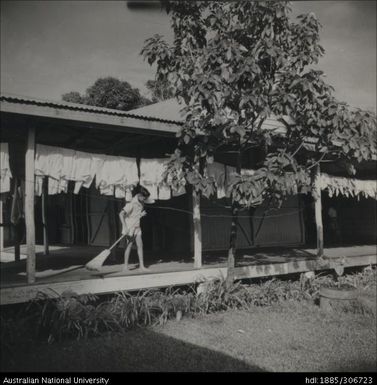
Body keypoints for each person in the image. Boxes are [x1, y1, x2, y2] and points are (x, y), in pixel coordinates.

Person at [119, 185, 154, 271]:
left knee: (140, 245)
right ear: (139, 195)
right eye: (144, 198)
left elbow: (137, 214)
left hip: (137, 226)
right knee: (129, 246)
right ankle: (125, 266)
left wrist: (141, 215)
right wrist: (124, 226)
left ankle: (141, 266)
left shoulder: (141, 202)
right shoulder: (131, 204)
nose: (145, 200)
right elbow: (121, 214)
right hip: (130, 227)